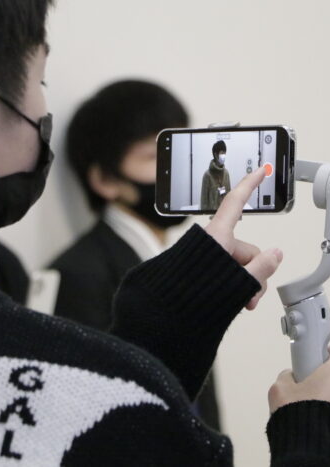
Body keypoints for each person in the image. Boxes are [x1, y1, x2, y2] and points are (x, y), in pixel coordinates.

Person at [0, 2, 330, 466]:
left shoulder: (97, 392)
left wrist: (156, 341)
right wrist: (318, 436)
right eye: (39, 81)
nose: (42, 109)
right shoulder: (91, 396)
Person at [49, 79, 222, 430]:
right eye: (156, 157)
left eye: (181, 150)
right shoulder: (78, 274)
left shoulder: (181, 263)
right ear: (105, 180)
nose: (180, 169)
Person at [201, 140, 232, 211]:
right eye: (222, 153)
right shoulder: (207, 175)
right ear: (215, 154)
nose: (224, 156)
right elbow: (204, 202)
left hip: (224, 213)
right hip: (212, 215)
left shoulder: (226, 173)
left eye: (225, 153)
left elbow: (229, 196)